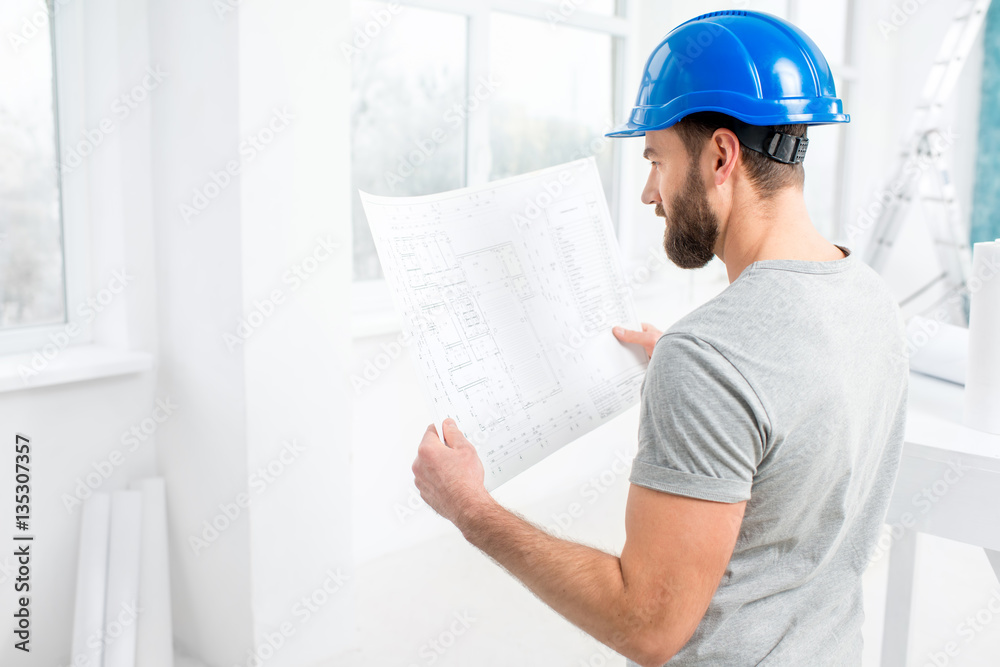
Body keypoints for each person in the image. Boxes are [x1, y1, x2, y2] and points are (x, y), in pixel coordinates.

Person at [411, 11, 908, 666]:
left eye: (656, 159)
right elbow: (789, 415)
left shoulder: (711, 358)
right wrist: (708, 381)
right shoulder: (868, 293)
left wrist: (470, 507)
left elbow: (645, 624)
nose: (650, 193)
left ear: (721, 155)